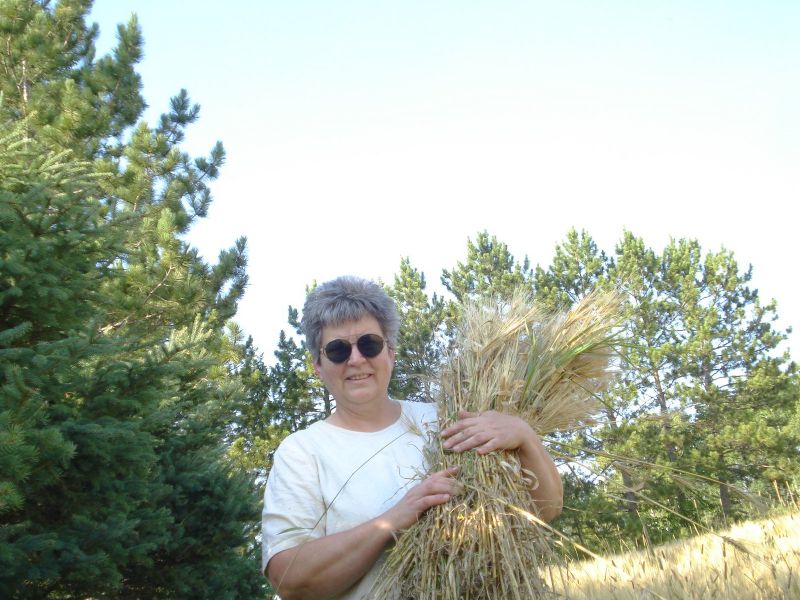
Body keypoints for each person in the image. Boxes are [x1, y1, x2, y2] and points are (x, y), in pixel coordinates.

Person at [262, 276, 563, 600]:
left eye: (369, 344)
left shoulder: (446, 418)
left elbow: (545, 510)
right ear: (318, 366)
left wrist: (525, 437)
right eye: (337, 350)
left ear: (390, 353)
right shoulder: (302, 452)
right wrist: (394, 519)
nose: (356, 359)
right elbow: (290, 579)